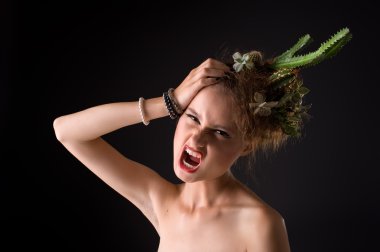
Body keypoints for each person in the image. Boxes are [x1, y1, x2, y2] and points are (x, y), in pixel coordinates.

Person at [53, 28, 351, 251]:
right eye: (192, 117)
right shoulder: (162, 202)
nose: (197, 138)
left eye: (220, 132)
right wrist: (168, 102)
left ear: (246, 145)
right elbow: (67, 132)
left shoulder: (261, 225)